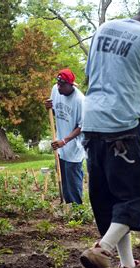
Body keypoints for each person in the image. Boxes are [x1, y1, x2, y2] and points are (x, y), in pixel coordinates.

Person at [79, 1, 140, 268]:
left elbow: (90, 76)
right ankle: (101, 251)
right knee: (134, 195)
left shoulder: (104, 29)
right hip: (123, 127)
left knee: (112, 200)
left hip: (91, 123)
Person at [45, 69, 86, 205]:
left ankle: (77, 211)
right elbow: (56, 112)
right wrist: (49, 108)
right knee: (63, 178)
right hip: (60, 146)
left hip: (74, 147)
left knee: (73, 180)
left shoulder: (80, 100)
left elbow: (82, 126)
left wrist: (65, 140)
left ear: (71, 85)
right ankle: (67, 207)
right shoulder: (55, 90)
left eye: (62, 85)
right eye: (58, 84)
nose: (59, 87)